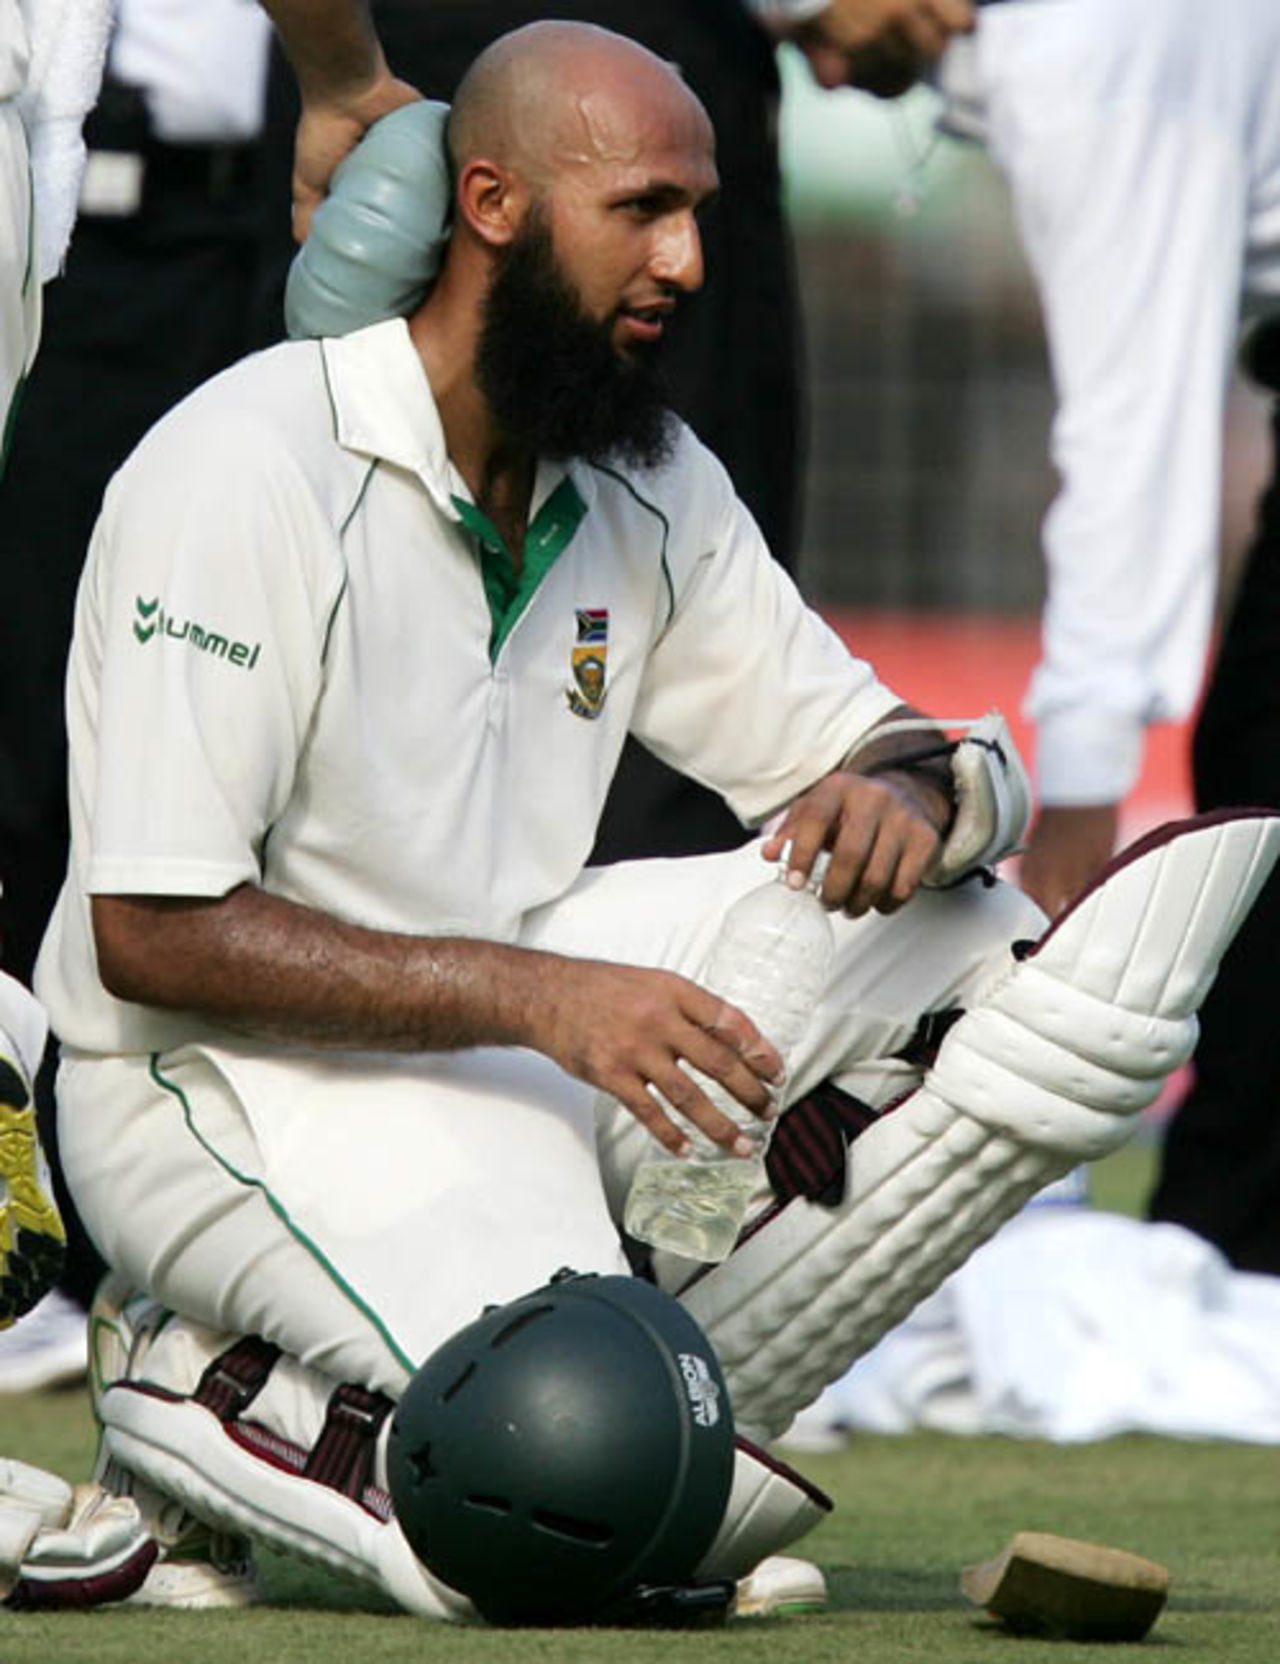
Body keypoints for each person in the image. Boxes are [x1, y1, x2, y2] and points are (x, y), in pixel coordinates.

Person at [5, 20, 1271, 1618]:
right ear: (494, 203)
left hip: (486, 1032)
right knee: (567, 1495)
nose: (684, 259)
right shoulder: (246, 465)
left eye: (701, 213)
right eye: (644, 210)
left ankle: (629, 1420)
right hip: (206, 1086)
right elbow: (156, 934)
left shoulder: (643, 474)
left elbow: (897, 740)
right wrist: (548, 1000)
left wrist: (910, 791)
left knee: (981, 941)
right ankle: (190, 1394)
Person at [0, 0, 417, 1332]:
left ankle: (142, 1211)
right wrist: (342, 69)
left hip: (232, 226)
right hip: (87, 215)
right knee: (42, 729)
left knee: (238, 730)